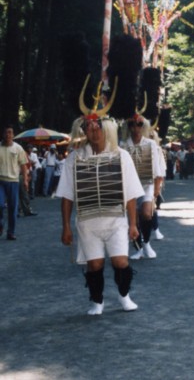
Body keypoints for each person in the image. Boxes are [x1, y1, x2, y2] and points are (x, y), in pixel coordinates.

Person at [56, 97, 144, 315]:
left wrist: (133, 224)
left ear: (106, 129)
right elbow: (67, 195)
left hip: (116, 219)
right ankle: (97, 300)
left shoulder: (121, 156)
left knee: (121, 261)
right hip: (88, 221)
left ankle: (124, 295)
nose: (93, 131)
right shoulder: (74, 159)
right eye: (88, 127)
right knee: (94, 265)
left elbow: (131, 194)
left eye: (97, 127)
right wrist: (66, 227)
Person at [125, 114, 166, 261]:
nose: (136, 128)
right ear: (129, 127)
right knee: (133, 219)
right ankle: (139, 248)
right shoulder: (123, 145)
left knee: (147, 214)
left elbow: (156, 168)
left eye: (139, 124)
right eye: (132, 125)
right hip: (129, 187)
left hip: (146, 184)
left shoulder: (150, 144)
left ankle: (147, 242)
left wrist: (156, 188)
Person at [0, 125, 30, 240]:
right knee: (0, 204)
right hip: (1, 181)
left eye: (10, 132)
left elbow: (23, 165)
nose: (7, 135)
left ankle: (11, 232)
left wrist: (26, 180)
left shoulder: (18, 148)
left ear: (13, 135)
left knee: (13, 208)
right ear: (3, 134)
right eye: (6, 132)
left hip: (13, 181)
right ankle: (1, 224)